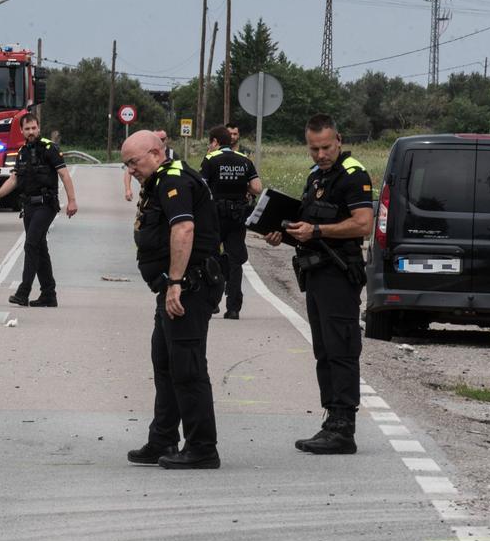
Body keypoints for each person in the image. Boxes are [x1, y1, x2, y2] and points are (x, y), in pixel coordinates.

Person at [264, 114, 373, 455]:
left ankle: (344, 428)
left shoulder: (353, 175)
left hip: (339, 273)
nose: (321, 154)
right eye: (314, 149)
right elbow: (307, 224)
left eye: (326, 147)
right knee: (324, 350)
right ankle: (331, 421)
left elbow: (363, 225)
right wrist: (283, 234)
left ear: (338, 139)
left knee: (341, 348)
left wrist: (318, 231)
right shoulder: (316, 177)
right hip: (315, 272)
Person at [122, 129, 224, 470]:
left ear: (155, 152)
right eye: (126, 165)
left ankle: (202, 447)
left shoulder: (173, 180)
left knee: (187, 367)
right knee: (165, 363)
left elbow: (183, 229)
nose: (131, 170)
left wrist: (176, 282)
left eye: (133, 162)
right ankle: (163, 437)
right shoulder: (160, 180)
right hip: (173, 287)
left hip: (188, 288)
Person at [0, 113, 78, 307]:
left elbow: (64, 175)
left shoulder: (50, 148)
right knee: (40, 249)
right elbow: (13, 179)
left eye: (34, 128)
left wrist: (72, 201)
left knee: (31, 245)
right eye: (27, 129)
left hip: (46, 204)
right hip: (28, 206)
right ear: (21, 130)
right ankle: (49, 294)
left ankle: (23, 291)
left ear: (39, 128)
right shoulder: (21, 152)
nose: (31, 132)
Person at [200, 125, 262, 319]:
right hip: (237, 217)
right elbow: (257, 188)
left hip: (215, 217)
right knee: (235, 260)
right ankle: (233, 307)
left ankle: (212, 301)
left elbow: (201, 188)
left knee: (211, 257)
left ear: (215, 142)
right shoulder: (244, 160)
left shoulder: (210, 159)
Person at [123, 129, 177, 201]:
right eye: (156, 138)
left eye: (162, 139)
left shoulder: (172, 154)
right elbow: (128, 172)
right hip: (148, 190)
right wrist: (128, 189)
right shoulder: (144, 152)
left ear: (166, 139)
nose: (160, 141)